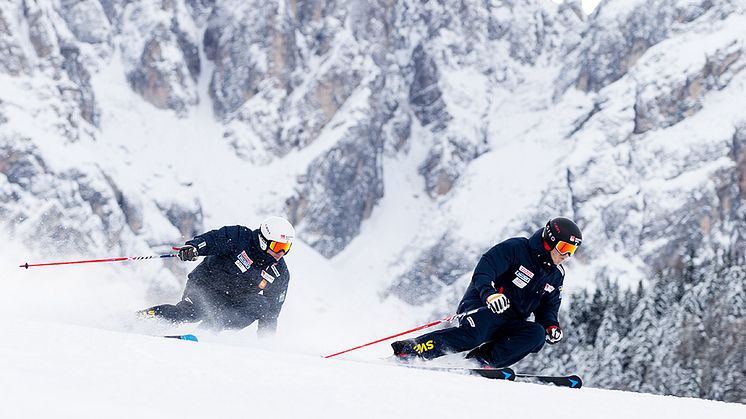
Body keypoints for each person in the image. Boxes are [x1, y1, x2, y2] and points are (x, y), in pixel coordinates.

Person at [391, 217, 582, 367]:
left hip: (512, 320)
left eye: (572, 250)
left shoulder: (556, 275)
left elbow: (548, 307)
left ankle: (482, 361)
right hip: (483, 307)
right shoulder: (517, 249)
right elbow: (485, 269)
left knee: (536, 335)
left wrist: (550, 326)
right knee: (474, 335)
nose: (566, 255)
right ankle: (412, 349)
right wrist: (490, 294)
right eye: (564, 248)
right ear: (549, 241)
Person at [138, 216, 295, 337]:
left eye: (286, 248)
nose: (281, 253)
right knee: (189, 313)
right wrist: (193, 248)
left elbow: (272, 313)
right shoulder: (240, 237)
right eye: (278, 246)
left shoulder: (279, 273)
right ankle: (140, 319)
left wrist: (267, 345)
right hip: (206, 286)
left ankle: (203, 334)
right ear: (263, 241)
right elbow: (212, 239)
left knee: (261, 305)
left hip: (235, 301)